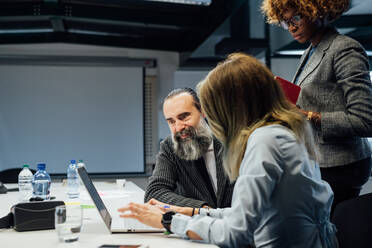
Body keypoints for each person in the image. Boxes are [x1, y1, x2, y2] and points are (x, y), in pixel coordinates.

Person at [119, 53, 338, 248]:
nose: (215, 120)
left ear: (233, 106)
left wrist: (168, 221)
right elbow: (246, 214)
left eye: (214, 109)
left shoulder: (265, 141)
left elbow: (236, 233)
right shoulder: (285, 131)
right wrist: (195, 212)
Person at [261, 0, 372, 212]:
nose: (291, 27)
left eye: (296, 18)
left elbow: (365, 120)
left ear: (318, 11)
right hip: (319, 161)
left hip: (342, 166)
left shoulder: (344, 49)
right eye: (285, 22)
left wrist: (308, 115)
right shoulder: (310, 51)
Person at [144, 88, 235, 208]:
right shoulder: (169, 147)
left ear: (203, 111)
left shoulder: (231, 139)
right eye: (171, 121)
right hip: (197, 224)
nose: (178, 127)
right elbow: (154, 193)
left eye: (184, 117)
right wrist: (201, 209)